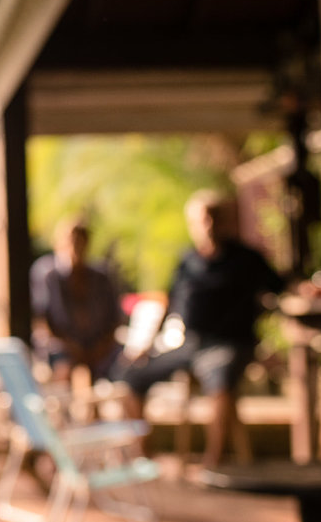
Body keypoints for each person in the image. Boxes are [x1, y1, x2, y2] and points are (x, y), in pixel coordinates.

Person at [118, 190, 285, 469]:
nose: (208, 226)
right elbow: (170, 303)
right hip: (189, 343)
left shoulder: (247, 259)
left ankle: (213, 463)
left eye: (214, 219)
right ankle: (143, 454)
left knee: (220, 384)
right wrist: (147, 344)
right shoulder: (187, 261)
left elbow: (279, 288)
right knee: (130, 375)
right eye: (202, 220)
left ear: (225, 222)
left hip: (230, 344)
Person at [29, 216, 122, 384]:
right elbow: (42, 320)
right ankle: (68, 406)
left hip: (99, 349)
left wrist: (99, 349)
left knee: (125, 367)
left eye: (81, 242)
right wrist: (72, 348)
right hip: (60, 347)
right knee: (65, 366)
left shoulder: (101, 277)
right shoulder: (48, 275)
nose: (75, 248)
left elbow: (114, 320)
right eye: (71, 242)